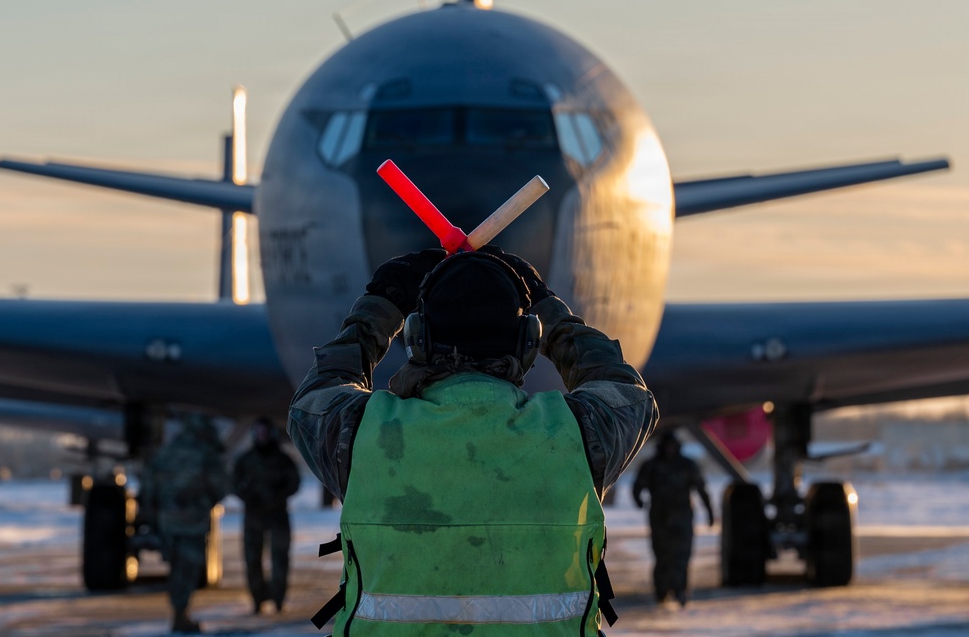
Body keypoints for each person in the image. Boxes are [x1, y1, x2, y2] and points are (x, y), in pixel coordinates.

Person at [288, 247, 659, 635]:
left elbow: (312, 403)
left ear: (417, 339)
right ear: (527, 343)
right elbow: (627, 394)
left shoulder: (365, 433)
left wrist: (378, 309)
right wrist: (551, 311)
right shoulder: (577, 434)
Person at [141, 413, 229, 634]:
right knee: (188, 569)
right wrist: (205, 502)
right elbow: (221, 485)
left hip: (168, 520)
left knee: (175, 567)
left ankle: (178, 612)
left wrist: (154, 514)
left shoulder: (165, 453)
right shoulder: (206, 453)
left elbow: (149, 487)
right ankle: (180, 614)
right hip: (193, 521)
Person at [632, 430, 714, 607]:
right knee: (662, 555)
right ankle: (662, 592)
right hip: (660, 517)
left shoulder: (687, 465)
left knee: (681, 556)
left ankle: (680, 591)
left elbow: (701, 489)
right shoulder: (652, 465)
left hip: (682, 517)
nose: (669, 450)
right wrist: (638, 500)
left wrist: (710, 512)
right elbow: (638, 486)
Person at [232, 417, 301, 614]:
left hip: (277, 515)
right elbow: (234, 483)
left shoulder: (282, 459)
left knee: (280, 558)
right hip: (254, 516)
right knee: (252, 558)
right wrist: (248, 497)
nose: (262, 436)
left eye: (265, 432)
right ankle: (258, 598)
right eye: (259, 432)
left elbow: (294, 483)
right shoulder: (246, 460)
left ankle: (278, 598)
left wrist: (278, 495)